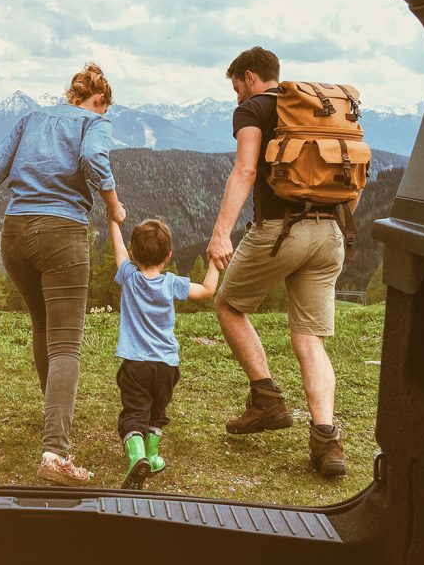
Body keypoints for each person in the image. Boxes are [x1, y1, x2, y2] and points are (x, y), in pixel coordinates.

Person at [0, 62, 125, 486]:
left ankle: (52, 414)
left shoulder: (30, 118)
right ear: (98, 101)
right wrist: (112, 206)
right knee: (66, 344)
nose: (103, 116)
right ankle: (55, 454)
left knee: (43, 326)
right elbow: (94, 159)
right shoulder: (95, 122)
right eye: (103, 109)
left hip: (15, 234)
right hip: (61, 234)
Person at [207, 47, 348, 478]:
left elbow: (245, 172)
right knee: (309, 340)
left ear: (250, 77)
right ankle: (327, 442)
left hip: (280, 230)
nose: (236, 97)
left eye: (235, 87)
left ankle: (267, 400)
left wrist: (220, 234)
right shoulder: (314, 110)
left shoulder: (253, 109)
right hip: (330, 232)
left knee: (229, 306)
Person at [108, 218, 219, 489]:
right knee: (157, 410)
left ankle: (137, 457)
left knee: (134, 413)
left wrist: (113, 220)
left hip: (136, 364)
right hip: (167, 365)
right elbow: (207, 290)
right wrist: (215, 260)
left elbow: (118, 249)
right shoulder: (172, 283)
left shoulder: (129, 276)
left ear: (134, 254)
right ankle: (154, 456)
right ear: (168, 256)